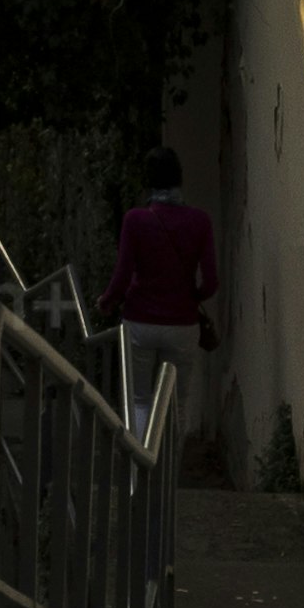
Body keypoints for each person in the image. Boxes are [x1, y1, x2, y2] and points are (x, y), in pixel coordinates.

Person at [102, 142, 219, 444]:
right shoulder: (200, 222)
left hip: (140, 321)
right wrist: (191, 297)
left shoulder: (135, 220)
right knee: (176, 403)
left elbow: (123, 274)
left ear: (148, 179)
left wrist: (107, 301)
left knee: (139, 399)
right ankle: (168, 479)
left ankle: (139, 471)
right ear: (179, 178)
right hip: (183, 324)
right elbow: (211, 282)